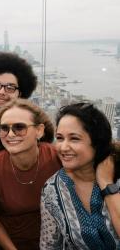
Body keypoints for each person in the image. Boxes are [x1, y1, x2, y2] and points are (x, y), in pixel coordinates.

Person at [0, 98, 61, 250]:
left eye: (19, 127)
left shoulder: (57, 157)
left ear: (39, 131)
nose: (10, 134)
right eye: (4, 128)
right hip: (8, 244)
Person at [40, 102, 120, 249]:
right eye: (59, 138)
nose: (63, 147)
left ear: (97, 142)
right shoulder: (53, 189)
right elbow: (49, 245)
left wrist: (107, 185)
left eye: (74, 138)